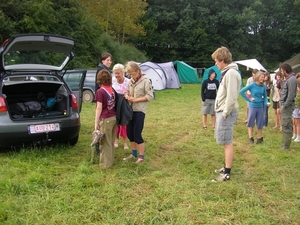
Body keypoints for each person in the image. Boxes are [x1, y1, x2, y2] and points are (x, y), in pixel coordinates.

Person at [211, 46, 241, 182]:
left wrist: (225, 113)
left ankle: (227, 173)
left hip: (226, 112)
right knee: (223, 141)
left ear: (223, 60)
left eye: (216, 61)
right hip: (222, 111)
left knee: (227, 141)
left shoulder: (231, 74)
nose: (215, 64)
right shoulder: (226, 73)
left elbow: (232, 96)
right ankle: (225, 167)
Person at [123, 61, 154, 163]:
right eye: (130, 74)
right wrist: (127, 95)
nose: (131, 76)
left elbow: (150, 96)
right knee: (130, 134)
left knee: (137, 134)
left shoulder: (145, 81)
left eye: (132, 73)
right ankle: (133, 154)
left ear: (138, 71)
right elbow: (127, 91)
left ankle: (141, 157)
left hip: (140, 110)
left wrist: (136, 100)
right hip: (130, 110)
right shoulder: (130, 81)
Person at [94, 69, 117, 168]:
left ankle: (105, 165)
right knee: (110, 141)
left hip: (105, 119)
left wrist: (96, 123)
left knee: (104, 142)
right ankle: (110, 161)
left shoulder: (100, 91)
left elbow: (99, 108)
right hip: (113, 117)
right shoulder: (112, 90)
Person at [240, 71, 268, 144]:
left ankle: (259, 138)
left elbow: (265, 97)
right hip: (253, 106)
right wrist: (249, 99)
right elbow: (241, 92)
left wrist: (266, 103)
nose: (263, 79)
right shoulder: (252, 85)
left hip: (260, 106)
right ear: (258, 77)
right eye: (261, 77)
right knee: (251, 122)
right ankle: (251, 138)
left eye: (263, 77)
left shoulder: (263, 86)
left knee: (260, 123)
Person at [94, 52, 113, 155]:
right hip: (102, 99)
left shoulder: (105, 69)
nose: (109, 62)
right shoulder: (102, 70)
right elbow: (100, 86)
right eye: (107, 60)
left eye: (110, 60)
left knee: (102, 123)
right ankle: (98, 147)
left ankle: (100, 146)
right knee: (100, 125)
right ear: (102, 61)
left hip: (103, 99)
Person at [279, 63, 297, 150]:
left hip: (287, 106)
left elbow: (291, 95)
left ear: (285, 70)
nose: (281, 72)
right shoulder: (289, 79)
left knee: (286, 125)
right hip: (284, 105)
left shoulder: (292, 79)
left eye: (281, 71)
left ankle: (286, 147)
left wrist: (285, 106)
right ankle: (284, 144)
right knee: (284, 124)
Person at [112, 63, 130, 149]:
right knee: (116, 122)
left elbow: (130, 92)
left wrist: (127, 94)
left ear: (122, 72)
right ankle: (116, 139)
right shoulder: (113, 80)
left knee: (124, 123)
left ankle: (125, 142)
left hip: (124, 103)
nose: (116, 75)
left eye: (118, 73)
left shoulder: (128, 81)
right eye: (115, 73)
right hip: (115, 103)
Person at [292, 73, 300, 142]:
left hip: (298, 108)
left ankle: (298, 136)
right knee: (294, 122)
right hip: (294, 107)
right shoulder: (296, 91)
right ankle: (294, 134)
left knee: (298, 123)